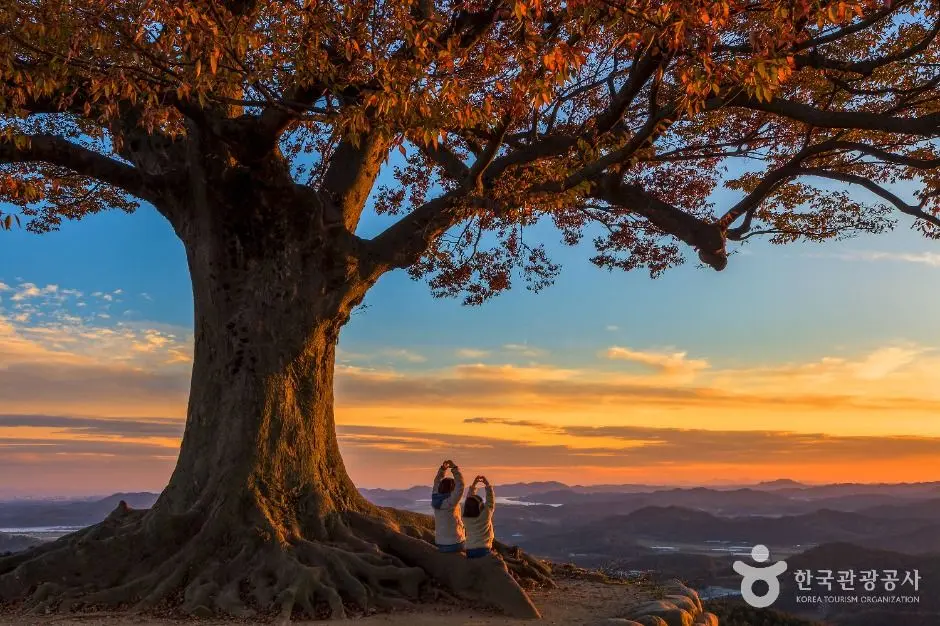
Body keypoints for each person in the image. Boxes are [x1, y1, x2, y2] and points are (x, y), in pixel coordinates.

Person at [431, 459, 465, 553]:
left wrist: (443, 469)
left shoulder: (435, 498)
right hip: (456, 543)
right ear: (452, 488)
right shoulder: (451, 501)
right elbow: (461, 485)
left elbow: (436, 482)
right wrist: (454, 468)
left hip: (441, 544)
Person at [463, 474, 495, 558]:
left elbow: (469, 502)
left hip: (470, 550)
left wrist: (474, 485)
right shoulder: (485, 515)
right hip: (484, 549)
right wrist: (487, 484)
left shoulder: (465, 517)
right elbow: (490, 501)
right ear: (480, 506)